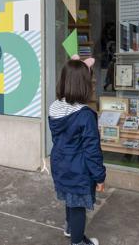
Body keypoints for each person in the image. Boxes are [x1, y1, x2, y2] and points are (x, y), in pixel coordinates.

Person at [48, 56, 106, 245]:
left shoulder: (54, 108)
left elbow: (58, 138)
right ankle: (77, 241)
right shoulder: (86, 115)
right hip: (78, 169)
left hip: (60, 164)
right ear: (84, 85)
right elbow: (92, 151)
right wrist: (99, 176)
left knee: (69, 198)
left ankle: (69, 228)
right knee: (78, 206)